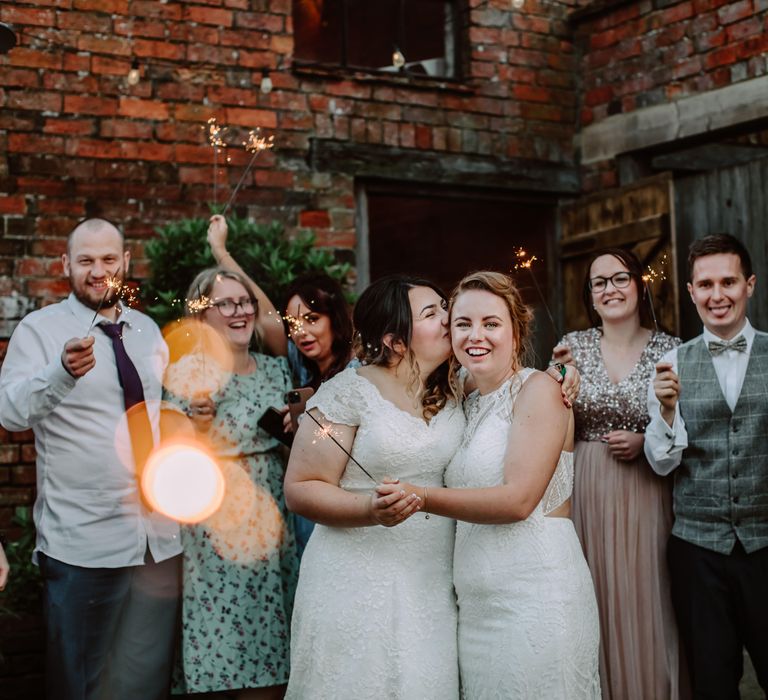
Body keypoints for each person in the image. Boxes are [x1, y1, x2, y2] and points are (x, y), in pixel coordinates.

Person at [379, 271, 600, 698]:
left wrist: (420, 496)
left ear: (516, 332)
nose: (475, 335)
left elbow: (518, 501)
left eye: (491, 324)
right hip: (476, 609)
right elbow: (387, 381)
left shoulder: (541, 389)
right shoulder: (463, 396)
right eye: (463, 324)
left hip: (535, 599)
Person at [0, 218, 181, 700]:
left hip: (157, 544)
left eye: (107, 259)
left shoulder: (146, 330)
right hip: (82, 546)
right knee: (78, 686)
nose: (97, 271)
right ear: (65, 266)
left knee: (144, 685)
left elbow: (155, 420)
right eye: (85, 261)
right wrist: (60, 373)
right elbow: (10, 412)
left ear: (125, 262)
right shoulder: (39, 331)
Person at [283, 274, 464, 699]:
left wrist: (562, 374)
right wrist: (369, 511)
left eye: (443, 305)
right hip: (353, 581)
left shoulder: (456, 388)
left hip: (430, 582)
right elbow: (300, 487)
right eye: (431, 312)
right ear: (396, 341)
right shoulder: (347, 391)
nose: (447, 317)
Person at [552, 248, 685, 700]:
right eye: (599, 283)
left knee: (651, 598)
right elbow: (553, 422)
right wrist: (557, 380)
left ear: (639, 283)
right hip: (587, 488)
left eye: (620, 278)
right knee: (594, 597)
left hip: (650, 490)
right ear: (590, 295)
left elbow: (683, 427)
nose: (610, 289)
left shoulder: (672, 349)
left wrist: (645, 441)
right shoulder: (572, 345)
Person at [645, 233, 768, 698]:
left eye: (728, 282)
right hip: (698, 549)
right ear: (692, 291)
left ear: (749, 285)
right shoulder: (669, 364)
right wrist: (669, 412)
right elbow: (660, 463)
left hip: (766, 543)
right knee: (712, 680)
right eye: (706, 284)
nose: (718, 295)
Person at [168, 266, 298, 699]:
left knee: (272, 649)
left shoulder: (277, 371)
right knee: (218, 646)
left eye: (244, 302)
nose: (240, 311)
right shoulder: (187, 375)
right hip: (214, 533)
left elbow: (293, 450)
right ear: (202, 316)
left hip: (274, 524)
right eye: (226, 303)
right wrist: (196, 431)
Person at [282, 272, 354, 390]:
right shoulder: (303, 369)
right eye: (292, 323)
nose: (301, 331)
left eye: (312, 319)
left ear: (335, 318)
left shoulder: (357, 370)